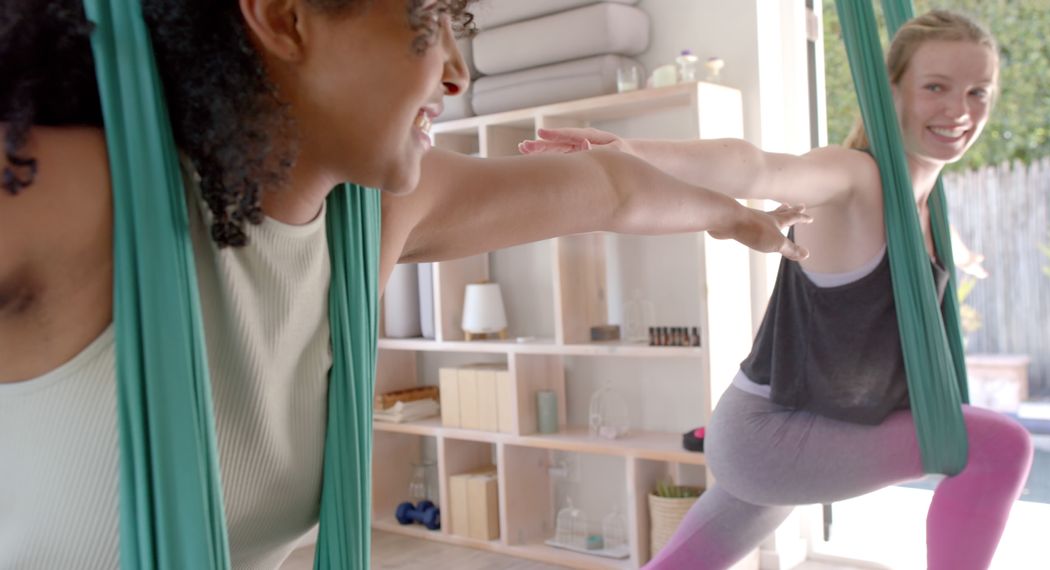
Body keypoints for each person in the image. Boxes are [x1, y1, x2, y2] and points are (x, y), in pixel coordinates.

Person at [0, 0, 811, 567]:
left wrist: (735, 217)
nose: (458, 72)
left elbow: (613, 186)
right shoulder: (72, 198)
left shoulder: (376, 214)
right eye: (429, 17)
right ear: (285, 18)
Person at [521, 9, 1032, 570]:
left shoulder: (933, 205)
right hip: (776, 433)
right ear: (890, 93)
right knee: (999, 448)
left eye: (978, 92)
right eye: (936, 87)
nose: (959, 111)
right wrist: (631, 151)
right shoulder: (856, 179)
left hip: (787, 431)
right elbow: (758, 168)